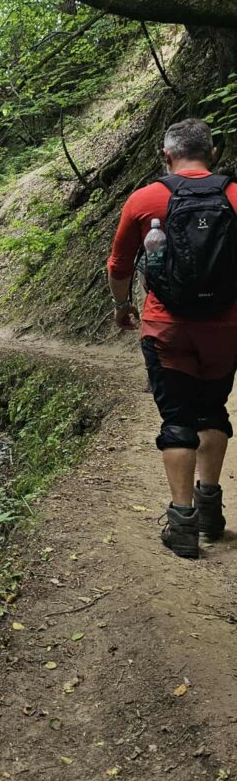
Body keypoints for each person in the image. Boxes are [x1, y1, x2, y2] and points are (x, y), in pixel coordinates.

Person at [107, 117, 234, 559]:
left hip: (167, 328)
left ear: (167, 155)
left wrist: (122, 306)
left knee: (176, 420)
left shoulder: (146, 199)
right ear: (213, 153)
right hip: (227, 329)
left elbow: (119, 265)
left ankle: (183, 526)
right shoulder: (235, 195)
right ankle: (212, 509)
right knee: (213, 410)